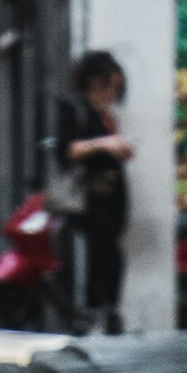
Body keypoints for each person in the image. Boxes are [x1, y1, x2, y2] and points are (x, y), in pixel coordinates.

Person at [54, 47, 136, 335]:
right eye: (108, 84)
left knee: (108, 252)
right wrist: (104, 144)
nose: (112, 92)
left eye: (116, 86)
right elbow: (67, 150)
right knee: (104, 254)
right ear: (93, 81)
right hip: (90, 196)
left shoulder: (105, 115)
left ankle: (103, 311)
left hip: (111, 195)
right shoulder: (75, 109)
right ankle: (100, 312)